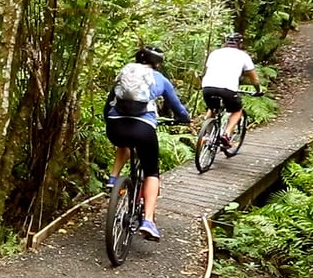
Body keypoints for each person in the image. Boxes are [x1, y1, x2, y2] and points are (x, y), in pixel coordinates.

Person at [104, 46, 191, 242]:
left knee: (123, 144)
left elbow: (109, 102)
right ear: (157, 63)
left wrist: (110, 120)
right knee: (152, 172)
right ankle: (149, 221)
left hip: (115, 127)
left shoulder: (125, 72)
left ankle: (112, 179)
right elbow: (177, 107)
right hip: (143, 129)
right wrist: (185, 118)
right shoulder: (159, 79)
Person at [200, 32, 262, 148]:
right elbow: (255, 79)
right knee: (237, 110)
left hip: (207, 87)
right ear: (240, 44)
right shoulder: (243, 56)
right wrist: (258, 90)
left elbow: (207, 70)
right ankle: (227, 134)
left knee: (212, 109)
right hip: (228, 89)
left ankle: (205, 134)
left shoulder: (215, 53)